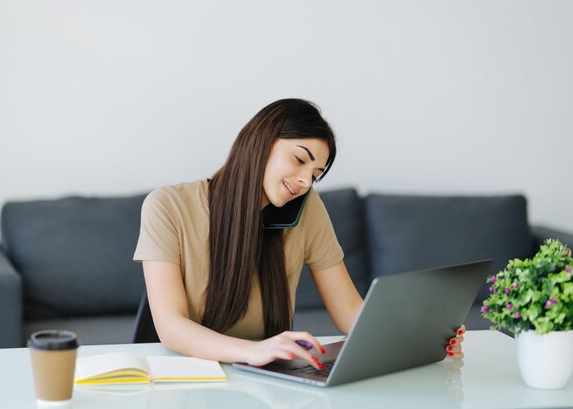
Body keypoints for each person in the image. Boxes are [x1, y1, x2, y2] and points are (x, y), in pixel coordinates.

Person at [133, 98, 465, 370]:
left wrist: (418, 339)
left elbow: (349, 308)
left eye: (315, 173)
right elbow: (170, 326)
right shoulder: (167, 206)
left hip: (264, 376)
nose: (306, 180)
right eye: (299, 160)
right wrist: (252, 351)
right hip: (185, 374)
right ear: (260, 142)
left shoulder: (307, 208)